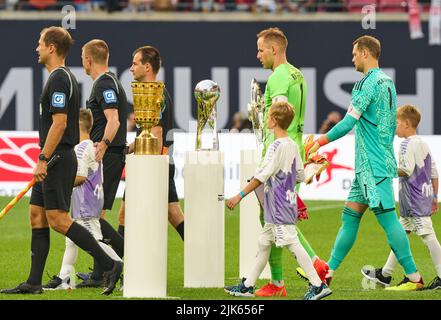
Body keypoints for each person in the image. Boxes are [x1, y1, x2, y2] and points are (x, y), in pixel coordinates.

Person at [0, 27, 122, 295]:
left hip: (56, 158)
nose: (36, 48)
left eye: (40, 43)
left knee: (57, 219)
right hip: (52, 157)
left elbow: (60, 123)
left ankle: (109, 263)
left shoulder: (58, 79)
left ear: (52, 48)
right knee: (37, 215)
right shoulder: (60, 78)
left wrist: (43, 158)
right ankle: (33, 283)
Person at [305, 35, 424, 290]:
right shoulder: (388, 82)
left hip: (372, 165)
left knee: (389, 219)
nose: (352, 58)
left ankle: (414, 278)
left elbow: (348, 123)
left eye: (355, 53)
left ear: (366, 54)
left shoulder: (366, 84)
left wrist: (319, 142)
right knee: (349, 217)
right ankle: (328, 272)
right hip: (373, 162)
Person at [224, 102, 332, 300]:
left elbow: (261, 176)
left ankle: (317, 285)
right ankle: (248, 285)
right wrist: (313, 166)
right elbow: (299, 175)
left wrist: (238, 196)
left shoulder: (275, 147)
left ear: (273, 121)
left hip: (278, 204)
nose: (266, 120)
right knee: (264, 242)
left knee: (292, 243)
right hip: (286, 202)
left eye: (268, 117)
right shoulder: (291, 144)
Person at [254, 27, 328, 297]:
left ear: (274, 49)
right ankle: (280, 280)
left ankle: (303, 271)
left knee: (275, 219)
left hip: (279, 154)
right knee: (273, 218)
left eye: (261, 49)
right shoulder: (298, 74)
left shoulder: (278, 78)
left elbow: (282, 114)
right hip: (294, 150)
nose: (258, 55)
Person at [362, 105, 440, 290]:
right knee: (400, 235)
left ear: (406, 124)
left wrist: (383, 169)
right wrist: (434, 196)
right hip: (419, 198)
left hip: (414, 200)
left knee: (428, 236)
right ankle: (385, 274)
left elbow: (406, 170)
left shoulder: (406, 144)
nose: (393, 127)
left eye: (396, 123)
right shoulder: (423, 143)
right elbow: (434, 172)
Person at [42, 109, 122, 290]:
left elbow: (81, 177)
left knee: (95, 241)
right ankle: (64, 278)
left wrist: (59, 184)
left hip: (85, 205)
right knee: (71, 241)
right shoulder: (93, 147)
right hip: (90, 202)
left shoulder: (80, 149)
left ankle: (124, 268)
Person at [117, 45, 185, 241]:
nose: (131, 68)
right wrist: (129, 148)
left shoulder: (155, 96)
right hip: (162, 161)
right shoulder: (156, 93)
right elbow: (148, 134)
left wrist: (136, 154)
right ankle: (201, 254)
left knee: (125, 215)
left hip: (152, 164)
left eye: (135, 63)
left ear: (147, 67)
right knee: (173, 213)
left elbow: (155, 135)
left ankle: (113, 269)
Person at [77, 39, 126, 287]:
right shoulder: (108, 82)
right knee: (95, 214)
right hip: (108, 155)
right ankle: (102, 270)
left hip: (106, 155)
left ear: (88, 59)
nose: (82, 62)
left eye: (82, 58)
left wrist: (104, 145)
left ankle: (119, 261)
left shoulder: (105, 83)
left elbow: (114, 120)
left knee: (95, 215)